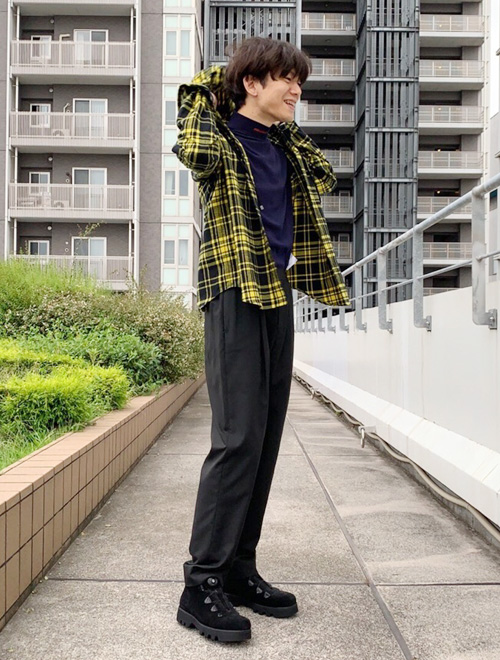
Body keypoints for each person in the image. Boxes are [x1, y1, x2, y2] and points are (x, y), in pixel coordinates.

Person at [172, 36, 350, 643]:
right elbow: (192, 144)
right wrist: (218, 85)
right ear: (252, 82)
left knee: (267, 438)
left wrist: (282, 120)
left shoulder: (283, 145)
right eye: (285, 79)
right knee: (236, 438)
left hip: (277, 294)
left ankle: (239, 569)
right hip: (232, 291)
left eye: (299, 81)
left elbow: (323, 175)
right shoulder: (220, 139)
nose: (296, 90)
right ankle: (201, 584)